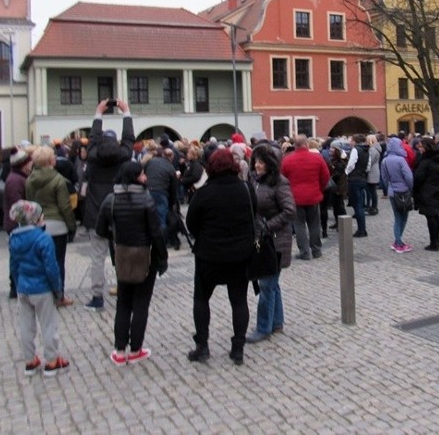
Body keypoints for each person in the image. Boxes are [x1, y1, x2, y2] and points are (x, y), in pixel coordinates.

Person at [185, 148, 256, 365]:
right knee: (239, 301)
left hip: (209, 255)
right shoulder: (245, 189)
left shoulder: (204, 193)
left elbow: (191, 224)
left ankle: (202, 346)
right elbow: (254, 214)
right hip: (240, 254)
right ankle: (238, 348)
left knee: (201, 299)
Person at [96, 161, 168, 365]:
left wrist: (117, 234)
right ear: (136, 177)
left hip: (123, 254)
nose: (145, 177)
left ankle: (120, 350)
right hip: (145, 255)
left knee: (124, 303)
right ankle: (136, 348)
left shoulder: (111, 199)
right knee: (141, 304)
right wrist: (162, 258)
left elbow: (100, 229)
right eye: (143, 174)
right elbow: (156, 232)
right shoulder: (146, 200)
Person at [83, 99, 135, 311]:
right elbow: (130, 138)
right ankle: (125, 290)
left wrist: (98, 113)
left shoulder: (93, 157)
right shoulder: (124, 156)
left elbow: (93, 139)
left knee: (97, 258)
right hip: (120, 212)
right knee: (122, 254)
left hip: (96, 214)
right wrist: (126, 112)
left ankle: (97, 296)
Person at [8, 200, 70, 377]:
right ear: (35, 219)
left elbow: (13, 265)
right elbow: (51, 267)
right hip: (41, 288)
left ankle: (30, 360)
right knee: (48, 324)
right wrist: (57, 289)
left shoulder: (14, 238)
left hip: (24, 288)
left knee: (26, 325)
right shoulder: (43, 238)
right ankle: (51, 360)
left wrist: (19, 283)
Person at [246, 144, 296, 343]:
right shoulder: (254, 180)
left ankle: (263, 327)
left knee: (267, 284)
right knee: (272, 284)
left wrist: (268, 226)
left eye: (261, 162)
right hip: (261, 239)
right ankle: (276, 323)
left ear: (270, 164)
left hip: (275, 241)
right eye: (256, 161)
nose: (257, 165)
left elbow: (290, 211)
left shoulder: (280, 183)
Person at [25, 145, 76, 307]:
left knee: (41, 261)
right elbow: (65, 206)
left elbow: (30, 204)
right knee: (58, 262)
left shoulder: (30, 180)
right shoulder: (58, 180)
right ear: (50, 161)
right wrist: (71, 225)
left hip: (38, 224)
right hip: (57, 225)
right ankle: (59, 295)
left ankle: (43, 294)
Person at [281, 134, 330, 254]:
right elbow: (326, 176)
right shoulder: (317, 158)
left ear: (294, 145)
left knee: (299, 225)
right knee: (314, 224)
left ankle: (304, 251)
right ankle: (316, 249)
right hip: (313, 195)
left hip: (295, 197)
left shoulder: (287, 160)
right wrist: (320, 188)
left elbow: (282, 179)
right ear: (306, 144)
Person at [3, 147, 33, 298]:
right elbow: (18, 207)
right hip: (16, 225)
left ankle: (16, 286)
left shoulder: (18, 177)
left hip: (15, 224)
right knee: (16, 257)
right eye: (29, 162)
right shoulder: (16, 180)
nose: (31, 164)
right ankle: (14, 287)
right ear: (23, 164)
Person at [412, 136, 439, 251]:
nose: (419, 148)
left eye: (421, 146)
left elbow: (418, 177)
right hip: (436, 189)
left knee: (431, 217)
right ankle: (437, 240)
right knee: (435, 216)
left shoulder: (425, 161)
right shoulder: (438, 158)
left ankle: (434, 242)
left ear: (426, 147)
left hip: (427, 191)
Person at [384, 136, 415, 252]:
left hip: (392, 191)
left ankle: (398, 240)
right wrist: (411, 187)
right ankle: (398, 242)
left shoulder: (385, 160)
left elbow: (384, 178)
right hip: (403, 190)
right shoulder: (401, 160)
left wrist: (388, 188)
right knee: (403, 216)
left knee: (397, 216)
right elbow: (408, 176)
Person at [344, 133, 371, 238]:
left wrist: (346, 172)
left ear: (355, 141)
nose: (350, 142)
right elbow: (368, 165)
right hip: (362, 178)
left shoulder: (356, 150)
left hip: (354, 179)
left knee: (357, 205)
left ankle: (361, 229)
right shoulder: (366, 150)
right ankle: (362, 228)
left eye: (351, 140)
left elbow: (351, 164)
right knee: (360, 203)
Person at [366, 133, 382, 216]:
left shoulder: (373, 149)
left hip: (372, 171)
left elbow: (370, 161)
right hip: (374, 171)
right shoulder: (376, 148)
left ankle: (374, 207)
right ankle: (373, 206)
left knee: (372, 191)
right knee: (372, 191)